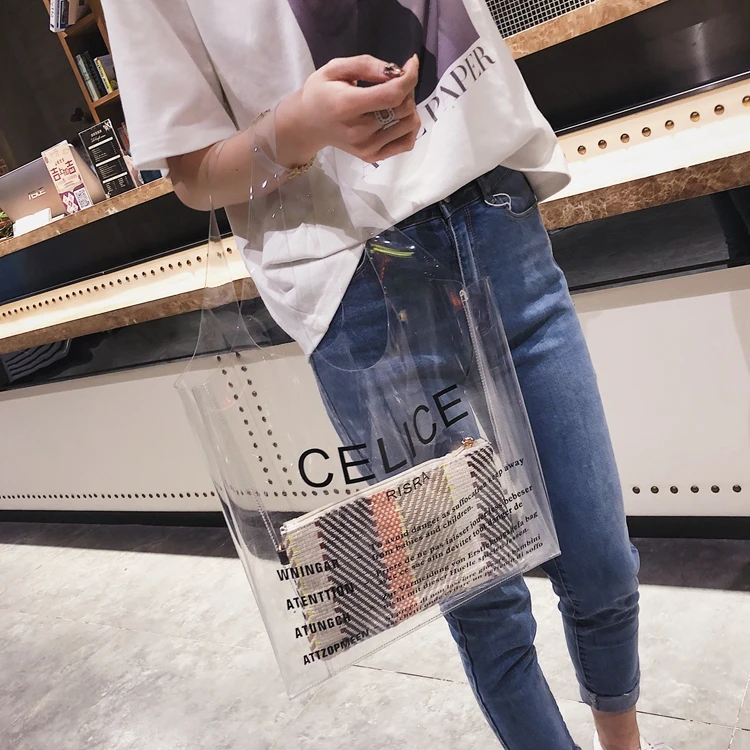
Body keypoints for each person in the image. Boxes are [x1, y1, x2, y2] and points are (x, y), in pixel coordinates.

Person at [101, 2, 670, 748]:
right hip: (351, 274)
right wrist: (296, 127)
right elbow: (193, 174)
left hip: (491, 213)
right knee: (485, 602)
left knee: (602, 564)